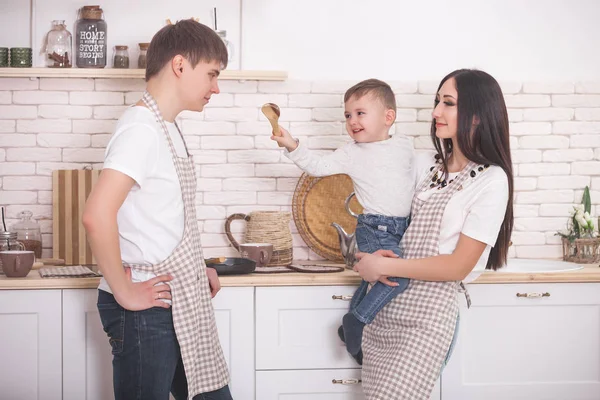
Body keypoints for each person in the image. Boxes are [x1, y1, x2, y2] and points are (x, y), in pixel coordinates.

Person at [82, 19, 232, 400]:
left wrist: (195, 270)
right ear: (180, 65)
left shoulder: (167, 127)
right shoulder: (141, 129)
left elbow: (157, 219)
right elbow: (96, 214)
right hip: (147, 310)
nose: (216, 87)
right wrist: (125, 292)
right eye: (212, 74)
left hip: (177, 296)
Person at [352, 68, 514, 400]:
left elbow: (458, 267)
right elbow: (382, 204)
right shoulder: (425, 164)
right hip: (388, 309)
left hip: (427, 320)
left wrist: (382, 267)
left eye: (449, 103)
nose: (436, 112)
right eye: (437, 101)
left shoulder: (491, 180)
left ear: (477, 116)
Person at [270, 79, 418, 363]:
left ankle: (350, 320)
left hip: (401, 229)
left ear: (389, 117)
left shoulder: (404, 146)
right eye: (348, 115)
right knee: (399, 274)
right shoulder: (352, 152)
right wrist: (292, 145)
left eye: (360, 113)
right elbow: (318, 166)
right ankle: (358, 321)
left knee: (376, 277)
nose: (352, 121)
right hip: (375, 228)